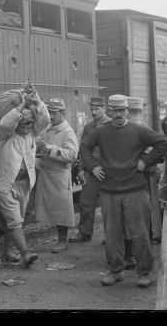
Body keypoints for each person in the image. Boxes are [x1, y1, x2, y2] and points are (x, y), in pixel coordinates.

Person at [80, 94, 167, 288]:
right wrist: (93, 166)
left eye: (122, 110)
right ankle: (116, 271)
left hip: (135, 190)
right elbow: (85, 147)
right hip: (109, 190)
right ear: (110, 111)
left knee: (140, 233)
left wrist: (145, 161)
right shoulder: (100, 131)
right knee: (112, 234)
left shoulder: (139, 130)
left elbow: (163, 144)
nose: (119, 114)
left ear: (127, 111)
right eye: (115, 110)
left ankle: (144, 272)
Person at [0, 89, 50, 266]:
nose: (27, 126)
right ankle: (25, 254)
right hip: (6, 184)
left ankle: (9, 251)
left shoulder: (31, 134)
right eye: (23, 123)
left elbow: (44, 121)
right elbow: (5, 124)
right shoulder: (5, 136)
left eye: (29, 123)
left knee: (18, 220)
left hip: (25, 183)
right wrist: (21, 107)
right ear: (17, 122)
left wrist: (37, 101)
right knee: (15, 220)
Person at [34, 98, 78, 253]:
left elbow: (72, 155)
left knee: (62, 209)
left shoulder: (68, 132)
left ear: (63, 113)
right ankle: (58, 238)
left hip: (59, 176)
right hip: (47, 174)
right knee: (51, 208)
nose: (51, 116)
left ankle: (62, 240)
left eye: (54, 113)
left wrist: (49, 148)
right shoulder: (48, 130)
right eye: (49, 113)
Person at [70, 97, 111, 243]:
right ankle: (85, 232)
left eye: (97, 109)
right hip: (91, 172)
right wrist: (81, 169)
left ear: (104, 108)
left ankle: (111, 235)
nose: (93, 112)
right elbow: (83, 149)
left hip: (108, 173)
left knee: (109, 206)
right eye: (92, 109)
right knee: (85, 202)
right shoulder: (88, 127)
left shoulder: (111, 125)